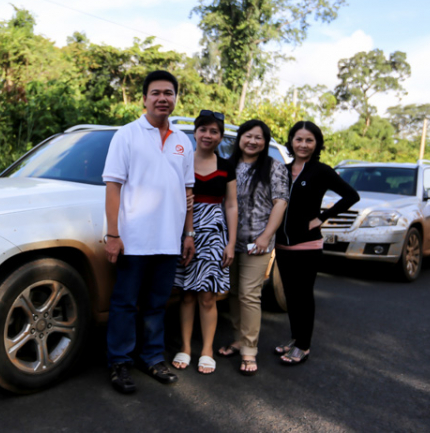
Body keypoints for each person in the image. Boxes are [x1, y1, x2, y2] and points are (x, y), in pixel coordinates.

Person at [102, 70, 196, 394]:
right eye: (155, 93)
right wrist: (113, 235)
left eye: (168, 93)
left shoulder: (184, 142)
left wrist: (188, 234)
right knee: (125, 303)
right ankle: (119, 363)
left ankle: (153, 357)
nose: (162, 98)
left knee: (157, 304)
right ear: (144, 98)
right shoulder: (127, 135)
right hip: (134, 240)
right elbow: (113, 186)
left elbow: (187, 194)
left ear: (175, 98)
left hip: (169, 241)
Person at [274, 121, 359, 365]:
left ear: (316, 144)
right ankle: (294, 338)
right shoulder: (282, 169)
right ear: (291, 141)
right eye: (298, 139)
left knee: (303, 295)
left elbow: (352, 195)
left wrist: (321, 218)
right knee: (290, 295)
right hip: (282, 244)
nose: (303, 144)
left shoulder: (321, 171)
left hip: (308, 245)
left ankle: (304, 345)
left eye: (309, 140)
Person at [217, 120, 289, 376]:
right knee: (234, 292)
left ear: (265, 142)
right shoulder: (228, 164)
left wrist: (266, 236)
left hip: (258, 241)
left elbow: (280, 203)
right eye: (248, 136)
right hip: (229, 241)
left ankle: (249, 350)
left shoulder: (274, 167)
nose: (253, 141)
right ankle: (238, 339)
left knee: (249, 294)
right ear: (240, 138)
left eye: (259, 137)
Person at [172, 110, 237, 375]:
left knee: (207, 297)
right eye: (203, 130)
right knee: (186, 295)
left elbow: (231, 205)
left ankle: (207, 350)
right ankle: (186, 348)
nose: (208, 135)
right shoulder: (182, 162)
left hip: (214, 235)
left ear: (220, 136)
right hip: (183, 232)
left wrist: (231, 242)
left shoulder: (226, 167)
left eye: (214, 131)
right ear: (195, 133)